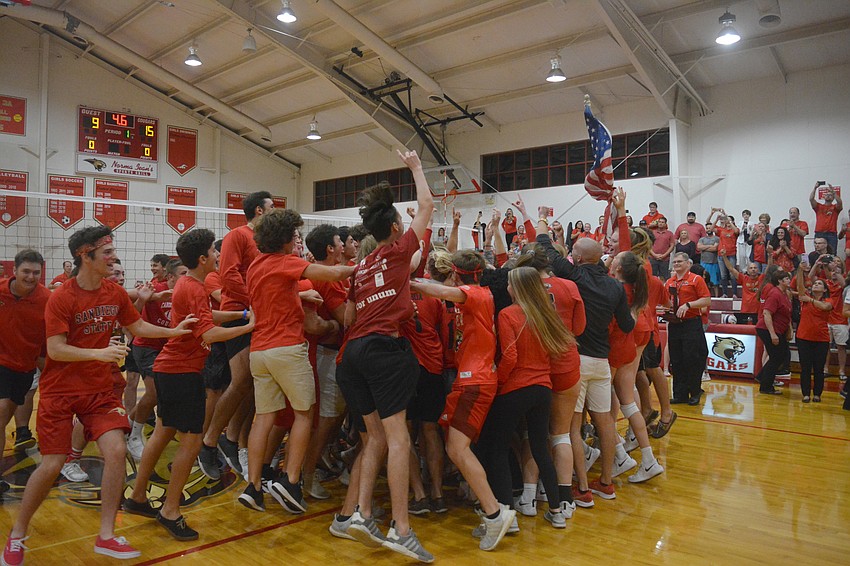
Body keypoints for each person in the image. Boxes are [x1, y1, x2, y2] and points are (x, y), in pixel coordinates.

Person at [2, 226, 198, 565]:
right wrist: (98, 354)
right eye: (105, 252)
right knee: (51, 464)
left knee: (117, 450)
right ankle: (17, 535)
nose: (112, 257)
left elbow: (137, 327)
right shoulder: (62, 297)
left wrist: (173, 332)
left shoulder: (115, 293)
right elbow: (55, 350)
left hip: (99, 391)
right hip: (61, 391)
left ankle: (106, 535)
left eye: (111, 251)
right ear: (85, 255)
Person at [333, 149, 434, 562]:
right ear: (395, 226)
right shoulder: (394, 251)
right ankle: (402, 529)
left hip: (350, 355)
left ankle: (361, 513)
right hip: (381, 350)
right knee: (398, 439)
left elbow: (351, 314)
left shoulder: (364, 264)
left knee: (374, 437)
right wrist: (415, 166)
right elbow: (426, 207)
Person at [123, 229, 254, 541]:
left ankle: (138, 497)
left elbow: (205, 316)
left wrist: (242, 313)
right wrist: (250, 325)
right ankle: (170, 510)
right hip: (182, 373)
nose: (218, 255)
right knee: (192, 442)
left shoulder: (187, 283)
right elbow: (207, 333)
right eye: (214, 250)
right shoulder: (194, 287)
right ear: (202, 258)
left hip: (169, 370)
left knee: (165, 431)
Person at [239, 210, 354, 514]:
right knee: (305, 415)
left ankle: (254, 485)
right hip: (287, 348)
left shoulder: (254, 267)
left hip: (259, 351)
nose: (296, 241)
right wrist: (371, 264)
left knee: (263, 418)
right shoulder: (286, 262)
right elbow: (334, 274)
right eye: (294, 236)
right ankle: (290, 481)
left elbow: (282, 291)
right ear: (286, 239)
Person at [411, 250, 516, 551]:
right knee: (460, 448)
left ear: (457, 274)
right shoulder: (480, 293)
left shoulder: (475, 295)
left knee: (457, 449)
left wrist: (411, 283)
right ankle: (495, 509)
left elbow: (440, 290)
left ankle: (494, 513)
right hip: (472, 379)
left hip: (476, 381)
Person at [536, 212, 634, 505]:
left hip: (577, 360)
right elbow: (627, 325)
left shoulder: (573, 276)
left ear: (576, 258)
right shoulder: (616, 286)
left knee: (572, 426)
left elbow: (545, 246)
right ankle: (606, 482)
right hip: (602, 362)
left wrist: (541, 219)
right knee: (606, 422)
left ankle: (581, 486)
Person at [480, 266, 570, 528]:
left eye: (509, 284)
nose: (506, 288)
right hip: (543, 389)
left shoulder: (508, 314)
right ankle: (557, 510)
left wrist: (500, 383)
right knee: (542, 449)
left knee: (498, 449)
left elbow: (509, 356)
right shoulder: (546, 315)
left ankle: (508, 515)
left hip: (515, 389)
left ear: (516, 288)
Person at [198, 191, 274, 480]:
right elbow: (229, 276)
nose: (274, 211)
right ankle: (209, 441)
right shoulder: (237, 236)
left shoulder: (267, 243)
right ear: (258, 210)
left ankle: (232, 439)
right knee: (240, 379)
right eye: (271, 207)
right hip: (238, 314)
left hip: (260, 316)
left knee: (254, 383)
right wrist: (255, 302)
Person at [0, 250, 50, 493]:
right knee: (0, 414)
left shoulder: (47, 299)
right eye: (26, 272)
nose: (31, 277)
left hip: (24, 367)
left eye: (36, 273)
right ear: (15, 271)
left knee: (5, 416)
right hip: (1, 363)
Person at [665, 252, 712, 405]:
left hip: (691, 323)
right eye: (674, 262)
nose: (676, 264)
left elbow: (706, 300)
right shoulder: (669, 282)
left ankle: (695, 392)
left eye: (679, 261)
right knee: (677, 360)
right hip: (674, 324)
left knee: (692, 358)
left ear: (688, 264)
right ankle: (680, 394)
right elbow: (665, 301)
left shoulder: (696, 279)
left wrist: (689, 305)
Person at [795, 267, 832, 403]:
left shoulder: (828, 301)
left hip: (821, 339)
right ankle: (805, 394)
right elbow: (800, 286)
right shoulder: (805, 298)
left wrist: (809, 300)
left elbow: (825, 308)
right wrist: (799, 270)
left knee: (818, 368)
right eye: (815, 283)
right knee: (805, 368)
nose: (816, 285)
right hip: (804, 338)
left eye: (819, 284)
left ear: (824, 290)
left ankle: (817, 394)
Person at [754, 269, 793, 395]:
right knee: (778, 356)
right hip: (767, 329)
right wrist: (772, 334)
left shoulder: (784, 294)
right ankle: (765, 385)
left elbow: (786, 314)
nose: (789, 280)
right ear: (780, 281)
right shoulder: (775, 294)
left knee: (779, 355)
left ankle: (762, 377)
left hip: (777, 329)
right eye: (787, 278)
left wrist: (788, 329)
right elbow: (767, 313)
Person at [720, 250, 763, 323]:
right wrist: (724, 257)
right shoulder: (744, 278)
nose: (753, 270)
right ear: (747, 270)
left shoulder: (761, 278)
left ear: (758, 270)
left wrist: (770, 256)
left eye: (755, 268)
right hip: (745, 311)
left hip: (758, 312)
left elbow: (769, 269)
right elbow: (731, 269)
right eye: (751, 268)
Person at [711, 210, 740, 298]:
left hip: (731, 254)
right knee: (723, 275)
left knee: (732, 274)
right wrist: (716, 219)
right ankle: (725, 293)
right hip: (721, 254)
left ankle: (734, 293)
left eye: (729, 220)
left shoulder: (735, 229)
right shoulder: (721, 230)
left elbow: (736, 231)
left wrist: (730, 222)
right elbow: (712, 228)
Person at [810, 181, 842, 254]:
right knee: (817, 253)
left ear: (833, 198)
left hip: (831, 234)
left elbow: (840, 203)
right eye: (826, 194)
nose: (828, 196)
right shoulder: (819, 207)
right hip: (819, 233)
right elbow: (811, 199)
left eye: (830, 195)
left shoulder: (835, 208)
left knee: (832, 253)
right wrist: (815, 188)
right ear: (823, 197)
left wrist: (834, 192)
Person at [697, 222, 720, 296]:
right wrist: (709, 246)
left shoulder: (717, 238)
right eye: (707, 228)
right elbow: (698, 248)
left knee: (715, 282)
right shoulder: (702, 239)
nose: (708, 229)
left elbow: (715, 248)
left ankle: (716, 297)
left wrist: (704, 247)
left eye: (710, 228)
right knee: (704, 281)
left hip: (714, 263)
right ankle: (705, 296)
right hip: (704, 262)